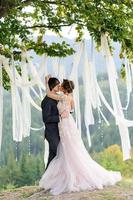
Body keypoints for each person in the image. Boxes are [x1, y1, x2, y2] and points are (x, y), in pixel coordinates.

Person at [39, 77, 122, 195]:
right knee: (62, 152)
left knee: (64, 152)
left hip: (64, 125)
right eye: (57, 85)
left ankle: (56, 179)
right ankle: (52, 179)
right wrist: (64, 113)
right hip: (63, 125)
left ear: (64, 88)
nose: (59, 87)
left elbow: (60, 104)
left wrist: (47, 83)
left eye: (60, 85)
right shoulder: (64, 98)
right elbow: (67, 110)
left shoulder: (61, 97)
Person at [41, 76, 61, 169]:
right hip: (52, 133)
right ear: (52, 86)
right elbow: (46, 118)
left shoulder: (54, 98)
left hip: (56, 132)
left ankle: (47, 179)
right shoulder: (48, 101)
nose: (59, 86)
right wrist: (59, 117)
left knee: (52, 157)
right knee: (60, 154)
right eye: (57, 84)